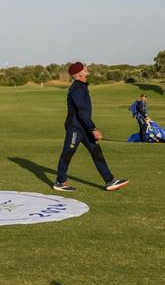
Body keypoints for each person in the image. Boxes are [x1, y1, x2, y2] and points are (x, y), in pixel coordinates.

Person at [53, 62, 128, 192]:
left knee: (96, 151)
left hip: (84, 127)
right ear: (78, 73)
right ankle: (60, 182)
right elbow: (81, 111)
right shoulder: (77, 88)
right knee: (68, 152)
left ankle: (109, 181)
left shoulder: (82, 86)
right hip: (75, 127)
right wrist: (93, 129)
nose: (86, 69)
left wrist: (89, 128)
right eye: (84, 68)